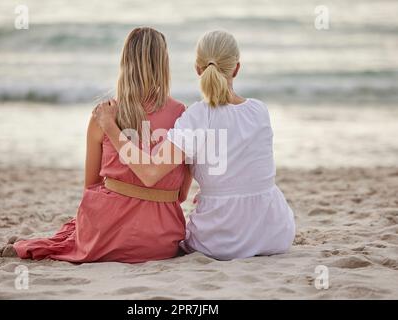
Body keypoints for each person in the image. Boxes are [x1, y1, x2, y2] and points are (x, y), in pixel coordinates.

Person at [94, 30, 295, 260]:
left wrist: (110, 126)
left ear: (198, 69)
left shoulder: (196, 116)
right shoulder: (260, 110)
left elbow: (150, 174)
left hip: (220, 242)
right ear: (236, 68)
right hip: (276, 233)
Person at [0, 27, 192, 263]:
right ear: (164, 63)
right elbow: (181, 194)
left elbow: (91, 186)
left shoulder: (103, 116)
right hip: (161, 242)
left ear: (125, 62)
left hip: (104, 236)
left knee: (70, 232)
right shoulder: (183, 115)